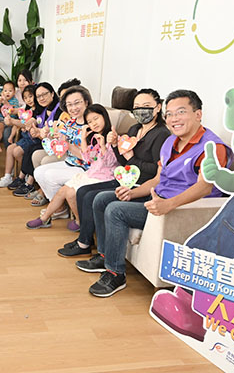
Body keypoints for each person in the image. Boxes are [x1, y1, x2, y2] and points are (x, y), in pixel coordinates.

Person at [75, 89, 231, 298]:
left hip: (179, 208)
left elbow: (205, 187)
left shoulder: (212, 147)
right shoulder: (171, 142)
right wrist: (133, 192)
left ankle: (115, 273)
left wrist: (169, 204)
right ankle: (104, 255)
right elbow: (158, 178)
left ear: (198, 114)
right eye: (171, 114)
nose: (174, 119)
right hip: (157, 196)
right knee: (103, 198)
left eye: (181, 112)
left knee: (115, 210)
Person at [60, 88, 170, 259]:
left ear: (158, 107)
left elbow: (155, 171)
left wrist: (131, 158)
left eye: (146, 106)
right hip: (126, 178)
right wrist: (114, 145)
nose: (142, 110)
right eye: (137, 107)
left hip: (141, 185)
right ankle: (85, 241)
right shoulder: (134, 129)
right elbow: (124, 161)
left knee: (94, 197)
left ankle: (99, 252)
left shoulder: (161, 134)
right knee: (83, 192)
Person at [27, 104, 113, 229]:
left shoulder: (111, 137)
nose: (94, 123)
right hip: (91, 172)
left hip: (102, 176)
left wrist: (104, 145)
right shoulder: (92, 138)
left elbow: (108, 162)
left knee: (70, 192)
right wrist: (83, 139)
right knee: (63, 190)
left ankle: (79, 222)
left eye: (96, 118)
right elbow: (87, 157)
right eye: (89, 121)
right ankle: (45, 218)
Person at [31, 85, 92, 207]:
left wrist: (67, 145)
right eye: (69, 105)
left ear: (86, 102)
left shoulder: (91, 124)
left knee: (49, 175)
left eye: (77, 103)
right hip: (70, 162)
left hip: (85, 167)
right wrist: (49, 135)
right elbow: (59, 144)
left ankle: (57, 208)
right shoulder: (70, 122)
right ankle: (58, 206)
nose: (73, 108)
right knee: (38, 172)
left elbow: (88, 158)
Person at [12, 82, 59, 198]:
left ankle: (29, 183)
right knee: (30, 148)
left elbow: (53, 133)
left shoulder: (59, 110)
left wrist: (38, 133)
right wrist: (31, 124)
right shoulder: (43, 108)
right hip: (45, 142)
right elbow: (34, 118)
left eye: (44, 94)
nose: (41, 98)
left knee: (32, 149)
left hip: (55, 145)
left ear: (52, 94)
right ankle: (24, 179)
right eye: (38, 96)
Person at [0, 84, 37, 188]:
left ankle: (28, 172)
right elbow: (18, 117)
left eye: (30, 96)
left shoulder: (37, 110)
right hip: (25, 138)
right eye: (26, 98)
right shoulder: (25, 109)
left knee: (16, 151)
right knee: (10, 148)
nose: (28, 100)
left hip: (33, 140)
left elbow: (26, 123)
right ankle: (7, 176)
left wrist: (13, 122)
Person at [0, 80, 17, 153]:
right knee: (0, 128)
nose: (8, 92)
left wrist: (6, 102)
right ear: (2, 92)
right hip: (2, 118)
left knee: (10, 130)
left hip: (11, 120)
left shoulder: (15, 101)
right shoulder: (2, 99)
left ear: (14, 92)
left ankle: (10, 139)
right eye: (5, 90)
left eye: (10, 91)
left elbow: (13, 110)